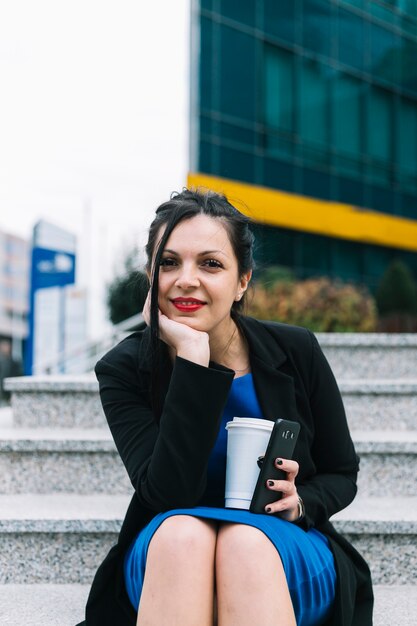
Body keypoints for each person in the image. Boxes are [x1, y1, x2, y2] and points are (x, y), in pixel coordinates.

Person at [76, 189, 373, 626]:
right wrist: (193, 358)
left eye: (210, 264)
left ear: (243, 281)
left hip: (281, 547)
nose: (186, 279)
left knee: (244, 542)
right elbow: (168, 496)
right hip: (170, 551)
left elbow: (341, 472)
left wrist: (301, 501)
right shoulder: (124, 369)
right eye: (169, 263)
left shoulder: (296, 350)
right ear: (150, 274)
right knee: (182, 534)